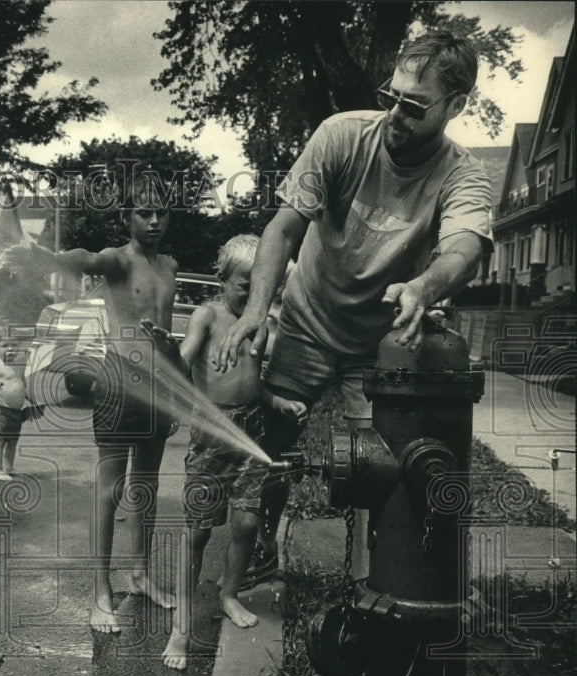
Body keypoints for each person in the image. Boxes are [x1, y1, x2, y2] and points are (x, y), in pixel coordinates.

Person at [211, 31, 492, 577]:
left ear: (455, 106)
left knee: (385, 465)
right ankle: (265, 548)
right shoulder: (341, 136)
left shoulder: (463, 175)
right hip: (305, 323)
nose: (395, 115)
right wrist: (254, 313)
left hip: (378, 347)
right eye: (392, 96)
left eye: (414, 106)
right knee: (269, 447)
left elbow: (464, 250)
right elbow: (284, 228)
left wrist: (422, 288)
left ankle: (372, 573)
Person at [0, 176, 182, 633]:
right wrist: (43, 255)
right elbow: (82, 260)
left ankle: (139, 574)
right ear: (128, 217)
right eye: (144, 212)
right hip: (118, 382)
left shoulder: (171, 266)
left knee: (147, 486)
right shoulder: (118, 261)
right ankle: (100, 593)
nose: (154, 220)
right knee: (109, 490)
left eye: (161, 212)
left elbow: (166, 334)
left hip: (158, 387)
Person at [162, 236, 306, 670]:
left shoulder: (259, 322)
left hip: (251, 432)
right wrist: (167, 352)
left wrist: (276, 402)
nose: (256, 293)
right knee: (198, 533)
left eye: (266, 285)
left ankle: (228, 595)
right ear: (221, 278)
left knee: (245, 524)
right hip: (211, 439)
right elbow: (185, 360)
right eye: (247, 284)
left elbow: (251, 380)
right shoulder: (208, 315)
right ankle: (181, 627)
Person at [0, 327, 37, 480]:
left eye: (14, 345)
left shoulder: (19, 366)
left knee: (12, 441)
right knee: (0, 440)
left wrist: (33, 400)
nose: (10, 349)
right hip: (3, 411)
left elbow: (22, 385)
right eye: (5, 346)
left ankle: (9, 467)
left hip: (17, 413)